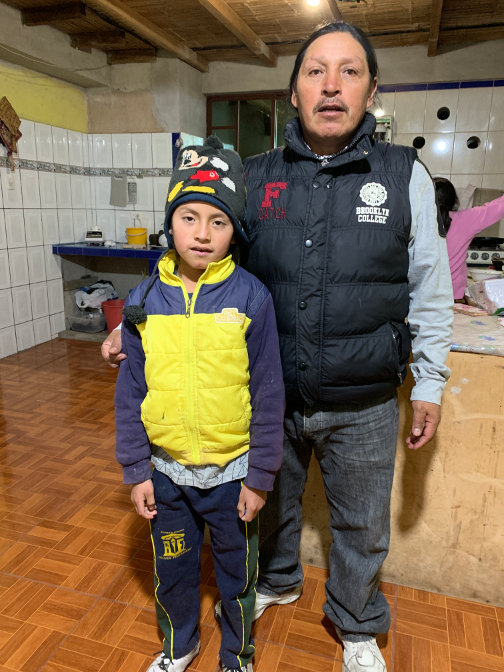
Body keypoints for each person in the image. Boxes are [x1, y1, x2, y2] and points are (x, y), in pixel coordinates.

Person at [106, 22, 453, 672]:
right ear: (293, 91)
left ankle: (355, 624)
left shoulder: (404, 174)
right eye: (315, 71)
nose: (331, 85)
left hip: (366, 398)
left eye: (349, 71)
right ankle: (279, 581)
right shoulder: (256, 177)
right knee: (268, 510)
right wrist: (136, 318)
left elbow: (431, 283)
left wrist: (430, 381)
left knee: (361, 525)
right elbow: (196, 256)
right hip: (270, 392)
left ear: (371, 90)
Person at [114, 137, 285, 672]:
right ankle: (179, 645)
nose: (203, 234)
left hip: (233, 475)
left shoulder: (252, 297)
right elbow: (130, 392)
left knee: (238, 578)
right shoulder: (143, 301)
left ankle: (237, 656)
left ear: (235, 230)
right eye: (190, 217)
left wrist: (259, 478)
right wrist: (137, 469)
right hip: (166, 474)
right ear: (171, 222)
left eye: (219, 221)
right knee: (175, 572)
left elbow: (269, 391)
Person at [434, 176, 504, 301]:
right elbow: (497, 208)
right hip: (453, 299)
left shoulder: (416, 222)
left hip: (420, 297)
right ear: (455, 201)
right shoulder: (466, 220)